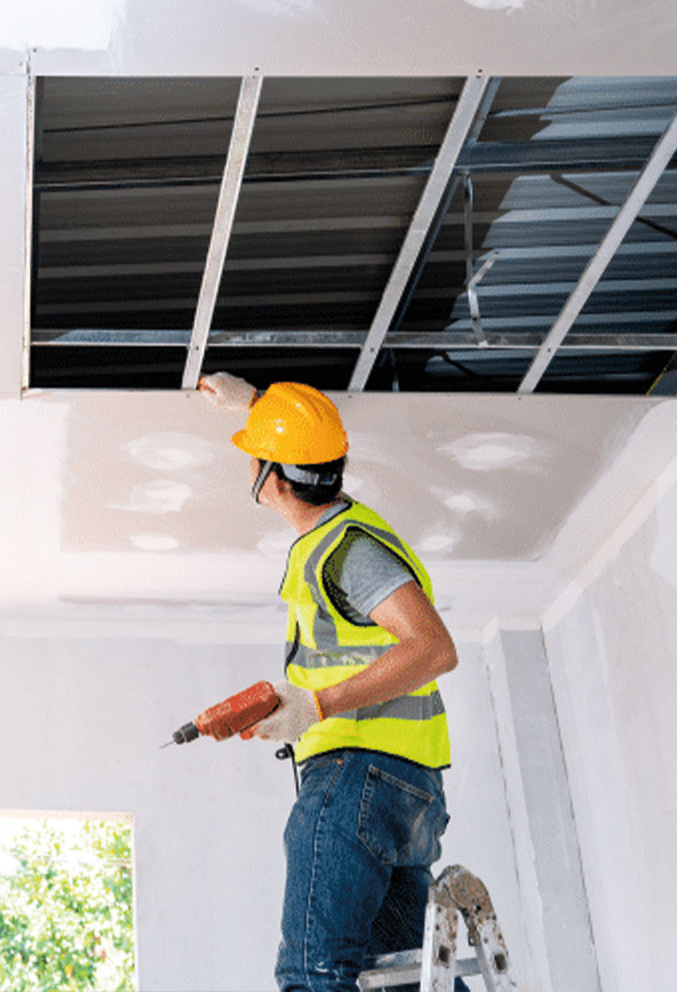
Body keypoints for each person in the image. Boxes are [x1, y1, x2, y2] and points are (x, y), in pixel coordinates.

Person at [199, 373, 460, 992]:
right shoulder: (344, 531)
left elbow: (434, 648)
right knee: (398, 981)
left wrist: (316, 705)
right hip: (406, 792)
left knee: (313, 976)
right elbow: (303, 443)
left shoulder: (344, 551)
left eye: (259, 458)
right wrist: (259, 407)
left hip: (356, 784)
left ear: (273, 478)